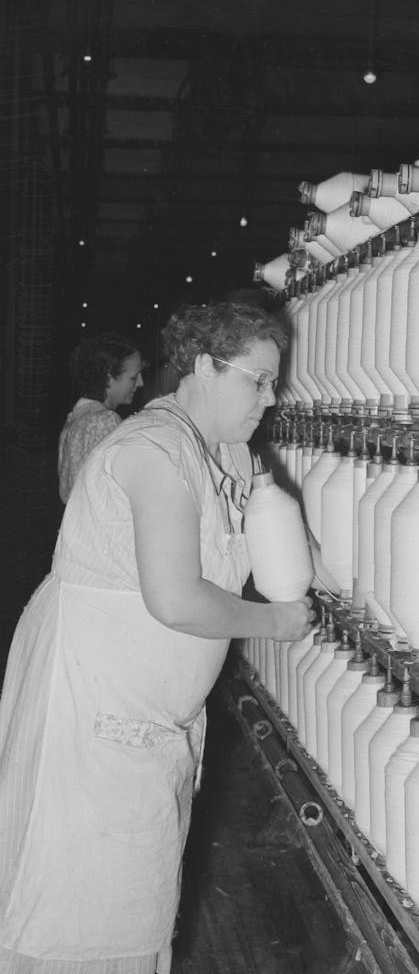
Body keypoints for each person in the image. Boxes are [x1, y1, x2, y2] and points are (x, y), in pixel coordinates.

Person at [0, 300, 315, 973]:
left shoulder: (226, 451)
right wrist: (275, 623)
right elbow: (175, 599)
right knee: (74, 917)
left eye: (273, 384)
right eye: (255, 380)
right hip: (92, 710)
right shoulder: (153, 449)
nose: (269, 398)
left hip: (145, 719)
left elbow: (277, 541)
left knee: (126, 908)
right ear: (202, 365)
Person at [57, 332, 145, 503]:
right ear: (109, 378)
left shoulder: (76, 418)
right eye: (134, 377)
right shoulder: (105, 421)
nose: (141, 383)